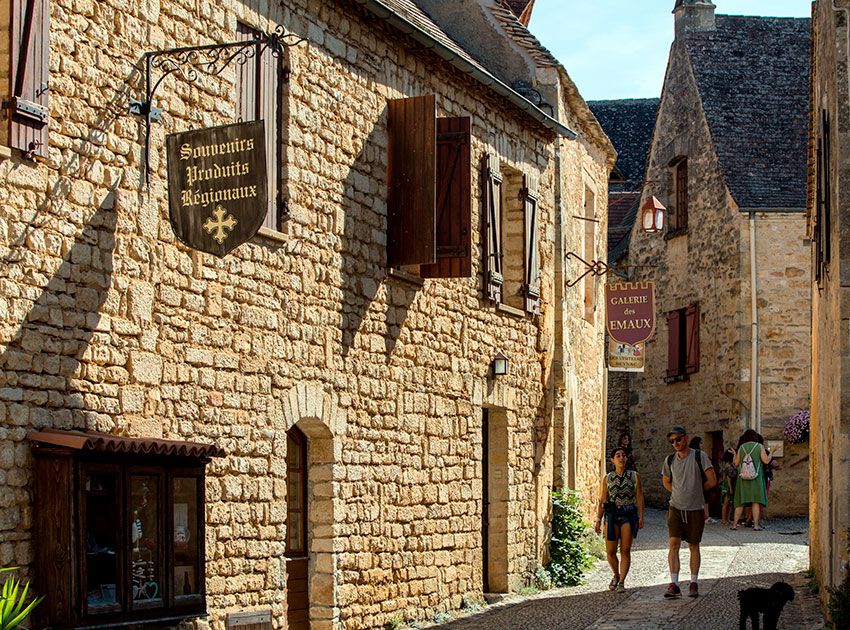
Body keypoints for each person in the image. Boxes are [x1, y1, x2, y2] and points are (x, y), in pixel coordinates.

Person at [661, 425, 717, 599]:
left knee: (693, 545)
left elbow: (712, 480)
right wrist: (679, 492)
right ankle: (674, 584)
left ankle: (693, 582)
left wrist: (696, 491)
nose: (675, 443)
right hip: (675, 507)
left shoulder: (700, 456)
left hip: (695, 508)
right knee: (674, 544)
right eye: (672, 441)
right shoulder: (669, 460)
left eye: (678, 439)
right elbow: (666, 482)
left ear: (686, 438)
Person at [594, 446, 645, 592]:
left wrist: (641, 516)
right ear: (612, 460)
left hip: (628, 514)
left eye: (623, 455)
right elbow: (603, 499)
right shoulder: (608, 478)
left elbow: (640, 496)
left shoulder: (634, 476)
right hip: (612, 515)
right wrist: (598, 519)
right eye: (618, 455)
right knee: (610, 551)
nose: (621, 458)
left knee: (625, 549)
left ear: (626, 458)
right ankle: (616, 575)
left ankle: (622, 581)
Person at [730, 429, 772, 531]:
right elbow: (766, 461)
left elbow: (735, 463)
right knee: (755, 502)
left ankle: (734, 525)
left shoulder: (742, 447)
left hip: (743, 478)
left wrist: (735, 454)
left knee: (740, 502)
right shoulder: (759, 446)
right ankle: (756, 526)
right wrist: (772, 452)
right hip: (756, 478)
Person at [688, 436, 718, 524]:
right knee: (705, 498)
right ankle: (706, 516)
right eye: (701, 443)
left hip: (691, 480)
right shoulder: (701, 455)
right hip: (701, 479)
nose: (702, 445)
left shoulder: (689, 455)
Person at [719, 448, 737, 525]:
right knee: (726, 503)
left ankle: (727, 519)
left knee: (729, 503)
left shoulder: (726, 465)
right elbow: (728, 478)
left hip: (726, 485)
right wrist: (730, 488)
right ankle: (724, 520)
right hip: (727, 485)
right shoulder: (729, 466)